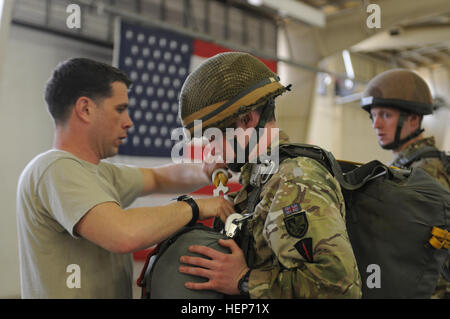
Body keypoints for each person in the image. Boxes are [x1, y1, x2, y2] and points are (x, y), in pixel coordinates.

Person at [16, 58, 234, 299]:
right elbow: (123, 235)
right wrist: (195, 206)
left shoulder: (99, 172)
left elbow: (158, 178)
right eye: (120, 109)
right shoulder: (55, 168)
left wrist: (205, 168)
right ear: (85, 109)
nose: (129, 122)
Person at [176, 52, 362, 298]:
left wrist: (243, 280)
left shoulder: (294, 181)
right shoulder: (263, 180)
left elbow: (339, 287)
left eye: (212, 137)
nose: (211, 150)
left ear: (246, 119)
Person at [360, 68, 449, 299]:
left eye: (386, 116)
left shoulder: (425, 172)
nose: (376, 125)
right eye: (374, 116)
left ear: (413, 119)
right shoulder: (405, 167)